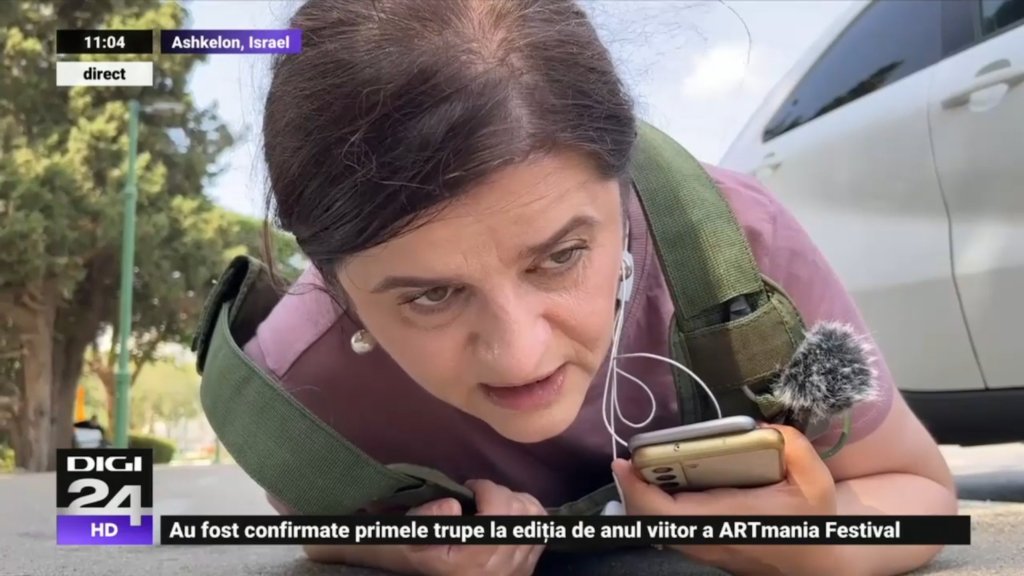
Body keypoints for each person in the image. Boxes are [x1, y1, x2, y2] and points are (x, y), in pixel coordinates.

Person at [246, 0, 957, 574]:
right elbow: (316, 530)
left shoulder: (739, 249)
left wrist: (823, 548)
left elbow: (920, 492)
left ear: (623, 189)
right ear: (334, 285)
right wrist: (400, 548)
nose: (521, 356)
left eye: (561, 257)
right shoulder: (293, 377)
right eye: (430, 296)